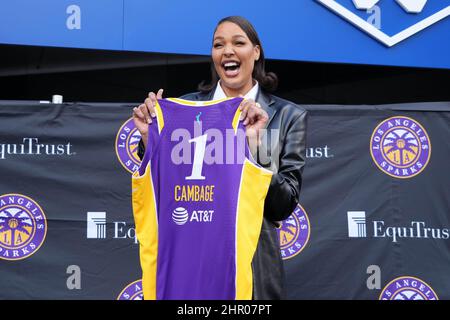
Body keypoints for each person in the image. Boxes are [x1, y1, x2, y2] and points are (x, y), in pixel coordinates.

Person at [133, 16, 307, 299]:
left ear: (256, 52)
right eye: (218, 45)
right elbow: (160, 186)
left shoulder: (288, 116)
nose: (227, 51)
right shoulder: (184, 108)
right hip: (189, 262)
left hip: (251, 270)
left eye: (238, 43)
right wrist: (148, 138)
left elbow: (282, 205)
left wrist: (254, 150)